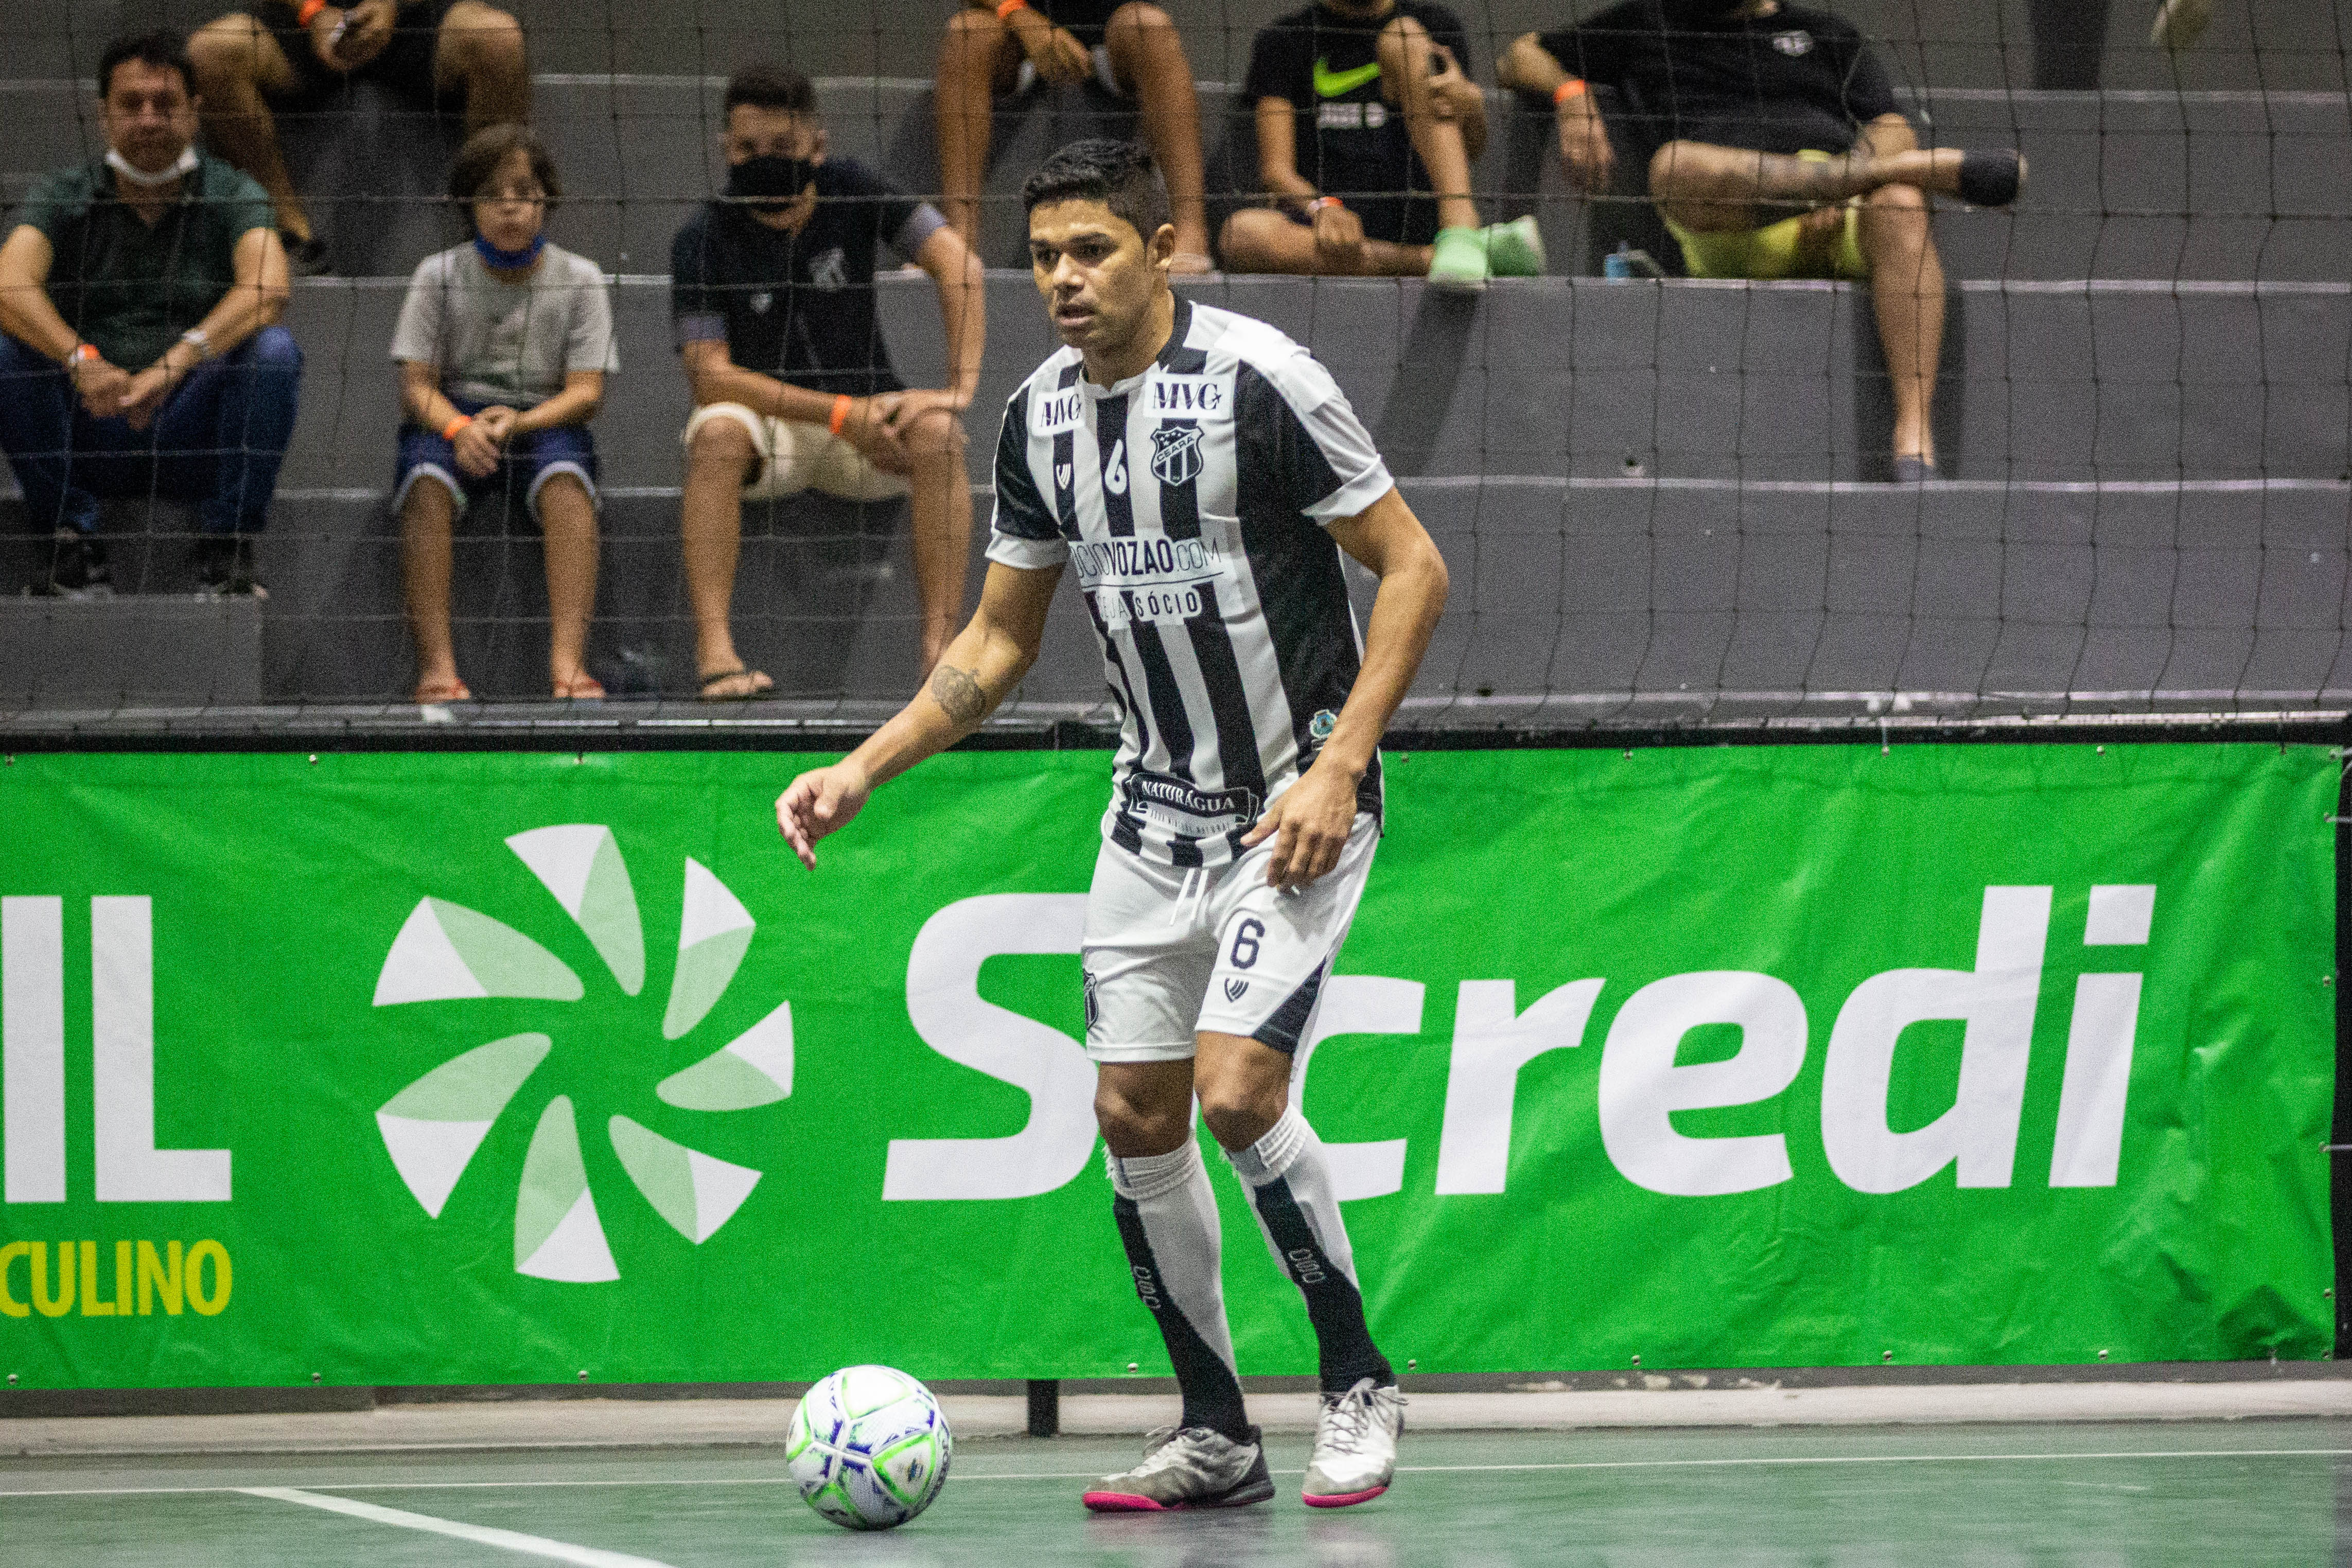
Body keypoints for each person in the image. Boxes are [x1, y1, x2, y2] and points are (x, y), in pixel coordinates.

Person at [775, 140, 1450, 1511]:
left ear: (1159, 246)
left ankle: (1357, 1377)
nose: (1066, 279)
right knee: (1131, 1114)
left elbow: (1414, 564)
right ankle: (1217, 1428)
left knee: (1239, 1090)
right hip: (1150, 818)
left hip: (1291, 807)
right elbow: (997, 639)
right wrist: (868, 764)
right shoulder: (1034, 419)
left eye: (1094, 249)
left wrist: (1340, 764)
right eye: (1045, 257)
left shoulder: (1265, 381)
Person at [1499, 0, 2027, 481]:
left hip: (1842, 209)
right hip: (1731, 218)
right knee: (1676, 166)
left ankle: (1914, 441)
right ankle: (1915, 173)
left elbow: (1891, 128)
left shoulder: (1827, 32)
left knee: (1901, 203)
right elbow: (1518, 57)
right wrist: (1572, 96)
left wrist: (1842, 188)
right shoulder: (1647, 21)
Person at [674, 64, 986, 700]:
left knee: (943, 435)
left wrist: (959, 386)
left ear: (817, 145)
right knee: (716, 435)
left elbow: (958, 263)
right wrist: (841, 415)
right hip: (775, 432)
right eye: (746, 150)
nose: (763, 161)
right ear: (724, 150)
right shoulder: (702, 235)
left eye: (782, 149)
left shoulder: (853, 189)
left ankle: (942, 656)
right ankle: (717, 657)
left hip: (870, 425)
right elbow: (710, 376)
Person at [0, 30, 298, 598]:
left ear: (195, 112)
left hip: (189, 428)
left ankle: (226, 544)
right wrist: (79, 359)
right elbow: (8, 286)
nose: (149, 119)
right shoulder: (65, 193)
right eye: (131, 104)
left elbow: (269, 288)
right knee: (7, 351)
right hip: (91, 423)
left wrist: (177, 363)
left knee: (274, 353)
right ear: (103, 115)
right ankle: (70, 540)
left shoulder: (232, 191)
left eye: (166, 104)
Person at [390, 124, 615, 703]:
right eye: (493, 193)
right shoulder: (436, 276)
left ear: (547, 198)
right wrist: (460, 428)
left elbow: (586, 393)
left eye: (525, 189)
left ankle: (568, 666)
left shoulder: (582, 278)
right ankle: (438, 671)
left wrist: (519, 423)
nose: (510, 205)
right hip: (456, 412)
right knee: (424, 483)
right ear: (469, 204)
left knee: (568, 484)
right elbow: (416, 386)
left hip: (545, 414)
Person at [1221, 0, 1544, 290]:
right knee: (1242, 235)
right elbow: (1276, 170)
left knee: (1404, 36)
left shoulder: (1432, 23)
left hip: (1417, 218)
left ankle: (1460, 233)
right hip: (1332, 239)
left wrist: (1472, 110)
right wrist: (1322, 207)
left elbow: (1469, 151)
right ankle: (1442, 258)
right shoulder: (1285, 39)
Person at [189, 0, 530, 272]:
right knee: (212, 51)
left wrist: (391, 4)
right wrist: (313, 11)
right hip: (306, 26)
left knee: (498, 38)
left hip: (418, 20)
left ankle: (493, 218)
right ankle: (282, 229)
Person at [935, 1, 1216, 271]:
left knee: (1150, 28)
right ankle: (960, 234)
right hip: (1018, 33)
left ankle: (1189, 229)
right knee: (967, 32)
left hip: (1114, 30)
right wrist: (1020, 15)